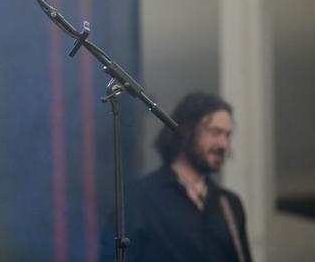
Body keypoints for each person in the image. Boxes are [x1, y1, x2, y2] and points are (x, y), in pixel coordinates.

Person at [100, 91, 253, 262]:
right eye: (215, 133)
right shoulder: (139, 199)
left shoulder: (229, 204)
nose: (224, 144)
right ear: (187, 131)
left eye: (227, 135)